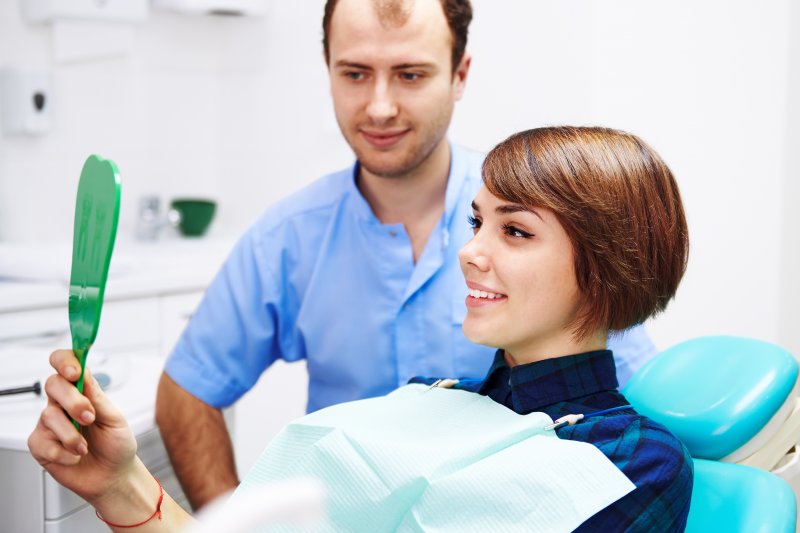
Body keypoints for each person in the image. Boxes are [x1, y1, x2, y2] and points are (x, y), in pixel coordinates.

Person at [28, 126, 692, 532]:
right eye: (476, 222)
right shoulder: (438, 400)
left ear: (609, 269)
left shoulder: (633, 461)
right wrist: (123, 484)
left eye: (514, 230)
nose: (470, 250)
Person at [156, 0, 659, 511]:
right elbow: (188, 389)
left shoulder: (537, 214)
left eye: (410, 74)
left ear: (459, 74)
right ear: (328, 69)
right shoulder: (287, 237)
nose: (379, 107)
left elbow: (629, 391)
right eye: (354, 73)